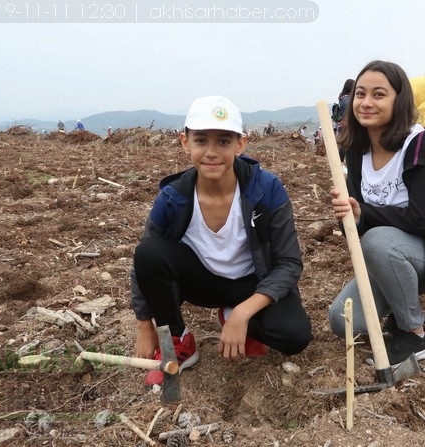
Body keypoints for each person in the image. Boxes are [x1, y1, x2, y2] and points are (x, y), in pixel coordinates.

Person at [131, 95, 313, 386]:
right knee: (150, 252)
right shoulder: (174, 196)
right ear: (184, 142)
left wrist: (242, 313)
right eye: (201, 140)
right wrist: (144, 322)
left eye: (224, 142)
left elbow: (289, 263)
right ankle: (178, 341)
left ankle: (231, 315)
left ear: (241, 143)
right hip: (201, 282)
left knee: (294, 336)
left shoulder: (266, 189)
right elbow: (144, 261)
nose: (212, 152)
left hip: (252, 283)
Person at [327, 61, 425, 366]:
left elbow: (424, 219)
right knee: (343, 321)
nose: (366, 103)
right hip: (388, 255)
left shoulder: (417, 145)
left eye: (379, 95)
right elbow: (357, 227)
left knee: (378, 241)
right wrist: (352, 215)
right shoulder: (357, 148)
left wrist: (366, 214)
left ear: (399, 99)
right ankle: (397, 303)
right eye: (360, 94)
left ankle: (414, 335)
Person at [336, 78, 355, 161]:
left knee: (345, 143)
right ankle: (342, 161)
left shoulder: (342, 97)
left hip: (344, 123)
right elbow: (350, 111)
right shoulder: (347, 99)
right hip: (348, 124)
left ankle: (341, 161)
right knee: (346, 143)